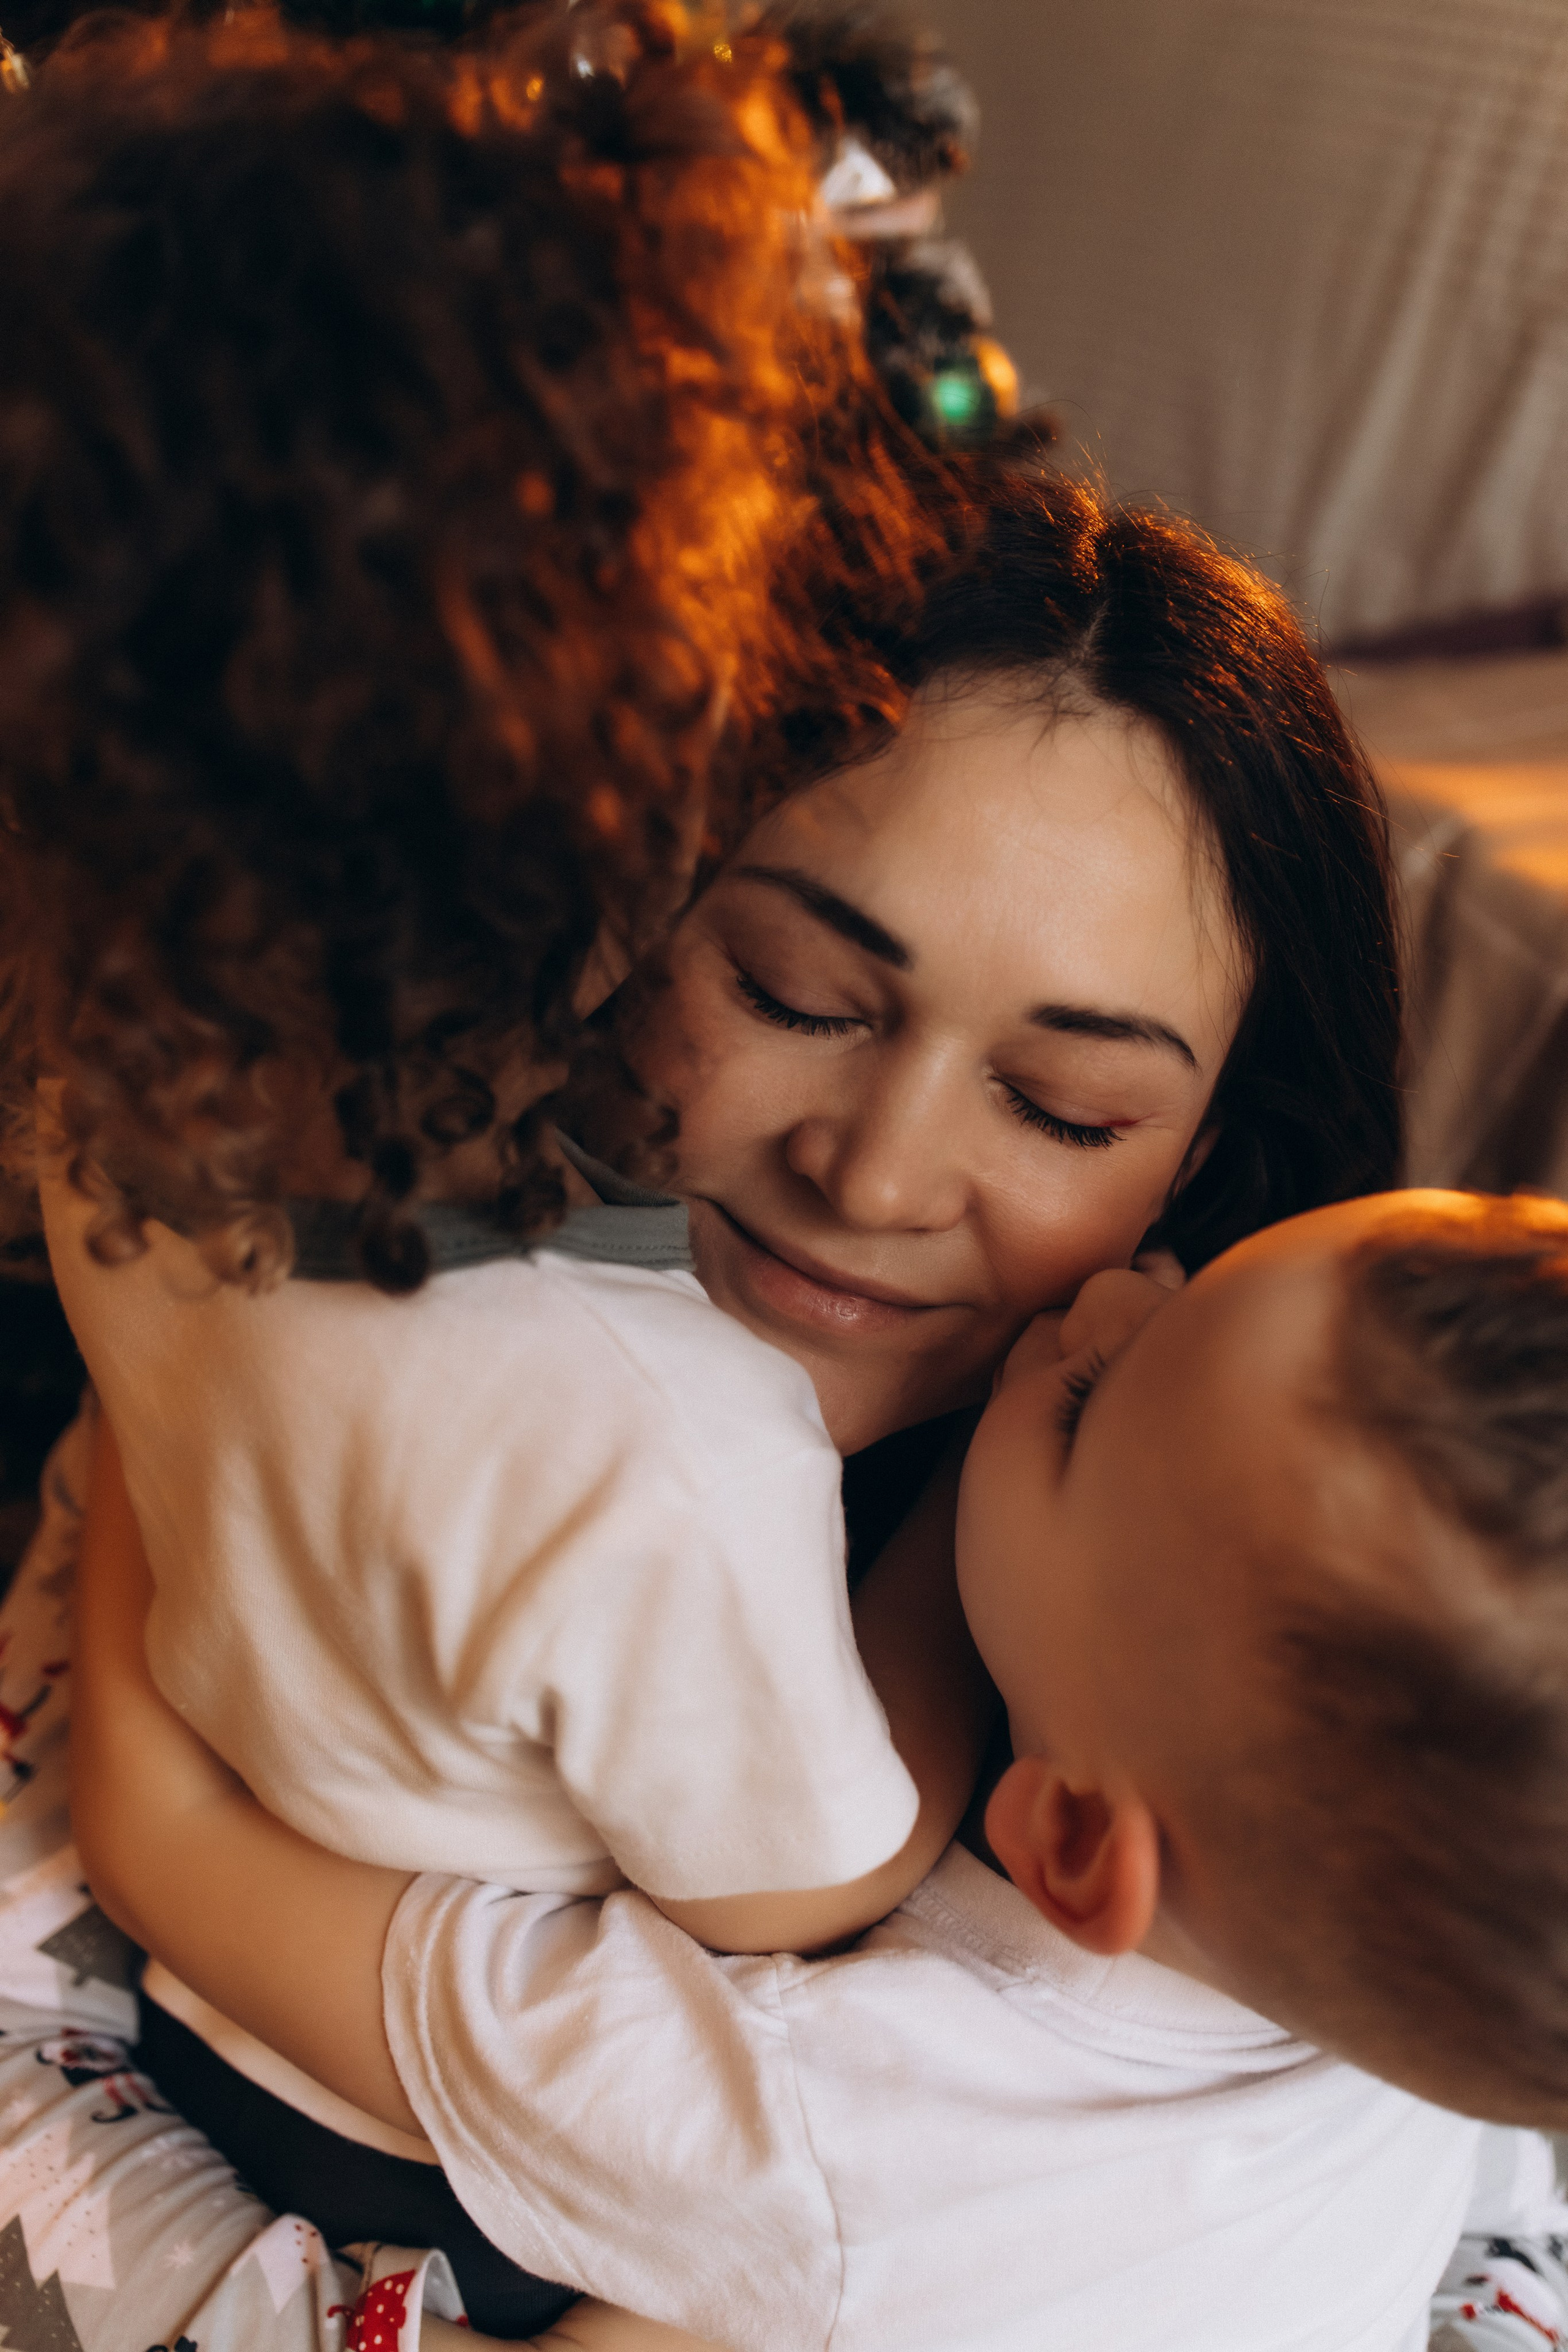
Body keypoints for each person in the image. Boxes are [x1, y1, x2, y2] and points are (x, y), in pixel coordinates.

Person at [73, 1184, 1568, 2352]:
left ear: (1068, 1840)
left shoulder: (821, 2134)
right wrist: (1023, 1438)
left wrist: (164, 1387)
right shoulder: (1424, 1982)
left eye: (1090, 1398)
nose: (1110, 1289)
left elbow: (161, 1842)